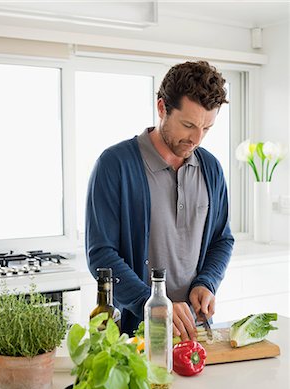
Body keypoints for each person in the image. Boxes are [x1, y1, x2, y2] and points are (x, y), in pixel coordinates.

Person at [85, 60, 234, 339]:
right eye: (188, 124)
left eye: (207, 128)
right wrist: (151, 303)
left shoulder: (211, 169)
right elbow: (100, 254)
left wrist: (207, 282)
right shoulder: (115, 165)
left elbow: (221, 240)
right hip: (135, 333)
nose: (196, 139)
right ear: (162, 108)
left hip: (194, 331)